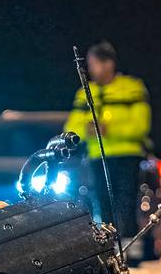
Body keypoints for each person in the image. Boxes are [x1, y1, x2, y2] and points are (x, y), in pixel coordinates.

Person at [64, 41, 151, 243]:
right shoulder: (84, 92)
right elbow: (71, 127)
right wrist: (85, 130)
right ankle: (111, 248)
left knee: (126, 203)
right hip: (97, 157)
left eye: (93, 64)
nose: (90, 69)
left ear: (108, 64)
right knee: (103, 204)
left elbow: (141, 125)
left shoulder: (132, 88)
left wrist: (109, 130)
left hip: (127, 156)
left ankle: (131, 249)